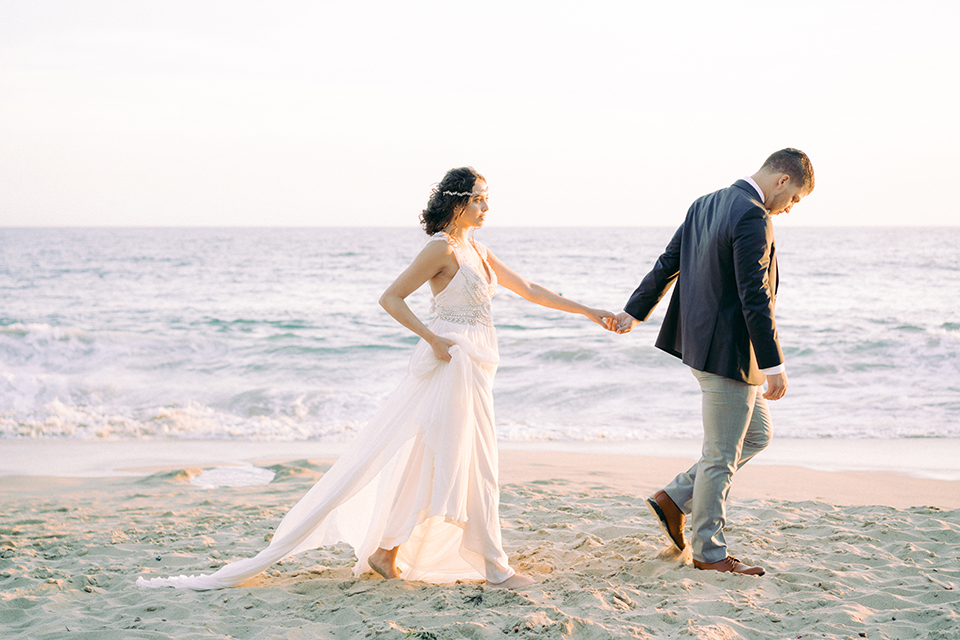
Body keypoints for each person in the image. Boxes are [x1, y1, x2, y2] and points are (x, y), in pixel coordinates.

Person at [138, 166, 615, 591]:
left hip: (476, 369)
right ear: (457, 201)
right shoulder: (440, 249)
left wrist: (591, 312)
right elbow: (391, 298)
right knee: (470, 463)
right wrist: (432, 339)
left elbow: (529, 289)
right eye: (478, 198)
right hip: (452, 364)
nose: (486, 207)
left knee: (444, 461)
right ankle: (495, 566)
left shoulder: (480, 251)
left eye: (487, 198)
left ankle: (388, 551)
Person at [615, 149, 814, 577]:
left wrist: (635, 311)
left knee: (757, 434)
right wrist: (774, 362)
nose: (790, 207)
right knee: (721, 454)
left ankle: (673, 497)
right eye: (795, 198)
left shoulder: (705, 203)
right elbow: (754, 294)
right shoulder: (752, 215)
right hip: (729, 355)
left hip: (701, 347)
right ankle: (709, 553)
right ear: (782, 180)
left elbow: (668, 263)